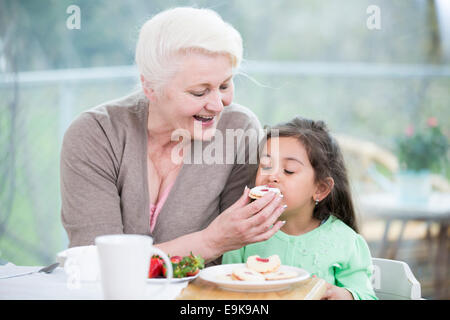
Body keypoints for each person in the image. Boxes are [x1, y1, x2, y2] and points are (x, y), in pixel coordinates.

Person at [60, 7, 286, 265]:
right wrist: (210, 241)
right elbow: (96, 263)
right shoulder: (96, 134)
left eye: (224, 85)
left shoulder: (239, 130)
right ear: (151, 88)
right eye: (199, 92)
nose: (217, 105)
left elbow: (236, 259)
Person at [222, 116, 378, 300]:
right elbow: (226, 290)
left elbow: (366, 295)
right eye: (266, 165)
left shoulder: (347, 242)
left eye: (289, 170)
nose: (272, 175)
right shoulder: (243, 233)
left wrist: (342, 295)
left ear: (320, 188)